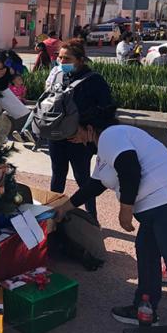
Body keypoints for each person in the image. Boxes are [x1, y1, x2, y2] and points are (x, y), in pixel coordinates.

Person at [54, 113, 167, 328]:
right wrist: (65, 208)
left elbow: (130, 168)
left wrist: (126, 209)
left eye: (74, 132)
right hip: (163, 207)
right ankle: (144, 308)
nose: (72, 139)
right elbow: (95, 185)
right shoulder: (106, 148)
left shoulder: (111, 135)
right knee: (146, 252)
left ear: (89, 127)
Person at [43, 39, 114, 220]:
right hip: (57, 136)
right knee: (58, 175)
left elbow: (108, 108)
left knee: (83, 177)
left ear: (80, 59)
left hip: (79, 139)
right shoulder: (58, 75)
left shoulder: (94, 80)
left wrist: (87, 129)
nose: (61, 62)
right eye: (59, 58)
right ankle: (53, 214)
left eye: (67, 58)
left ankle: (91, 218)